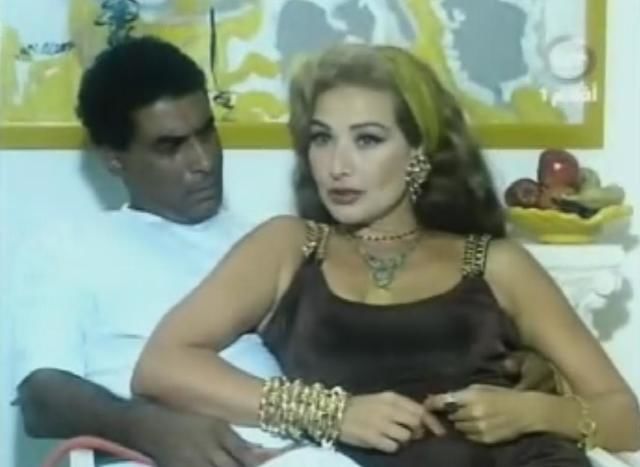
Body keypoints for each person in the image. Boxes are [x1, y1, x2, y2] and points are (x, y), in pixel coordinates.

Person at [132, 43, 640, 467]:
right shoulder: (290, 246)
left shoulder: (494, 263)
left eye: (368, 140)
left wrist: (530, 412)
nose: (338, 165)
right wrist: (333, 413)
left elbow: (627, 417)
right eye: (322, 139)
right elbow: (162, 367)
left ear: (419, 152)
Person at [9, 36, 286, 467]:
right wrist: (150, 427)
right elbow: (40, 398)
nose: (203, 162)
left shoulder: (266, 242)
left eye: (206, 132)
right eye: (170, 146)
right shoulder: (70, 249)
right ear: (113, 159)